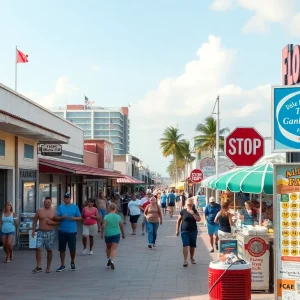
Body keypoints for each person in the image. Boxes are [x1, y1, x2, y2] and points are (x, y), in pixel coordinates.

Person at [55, 192, 82, 272]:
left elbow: (80, 218)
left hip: (72, 231)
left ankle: (72, 262)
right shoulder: (60, 207)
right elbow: (56, 217)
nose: (66, 199)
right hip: (62, 230)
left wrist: (75, 219)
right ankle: (62, 264)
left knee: (72, 248)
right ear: (63, 199)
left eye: (68, 198)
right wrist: (61, 217)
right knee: (62, 249)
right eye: (65, 198)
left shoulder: (75, 207)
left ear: (70, 199)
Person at [32, 197, 58, 273]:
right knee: (38, 248)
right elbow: (35, 221)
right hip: (40, 232)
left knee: (49, 250)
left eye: (48, 202)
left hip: (50, 232)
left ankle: (48, 267)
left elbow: (58, 223)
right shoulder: (40, 211)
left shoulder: (54, 212)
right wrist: (33, 230)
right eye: (45, 202)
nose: (47, 203)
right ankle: (39, 266)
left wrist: (51, 222)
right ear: (44, 202)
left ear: (51, 203)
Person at [176, 198, 201, 267]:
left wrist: (193, 214)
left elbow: (199, 220)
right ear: (186, 204)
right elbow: (178, 220)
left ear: (193, 204)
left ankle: (192, 258)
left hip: (193, 231)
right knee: (185, 245)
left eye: (191, 204)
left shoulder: (195, 211)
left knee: (192, 246)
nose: (189, 206)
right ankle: (185, 260)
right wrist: (177, 230)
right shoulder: (183, 211)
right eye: (188, 204)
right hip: (184, 231)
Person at [101, 203, 125, 270]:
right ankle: (112, 260)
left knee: (108, 247)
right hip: (116, 234)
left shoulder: (106, 216)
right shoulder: (118, 217)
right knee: (114, 249)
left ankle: (108, 258)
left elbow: (103, 226)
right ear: (115, 209)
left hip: (108, 234)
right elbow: (121, 226)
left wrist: (101, 233)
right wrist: (123, 234)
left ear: (109, 208)